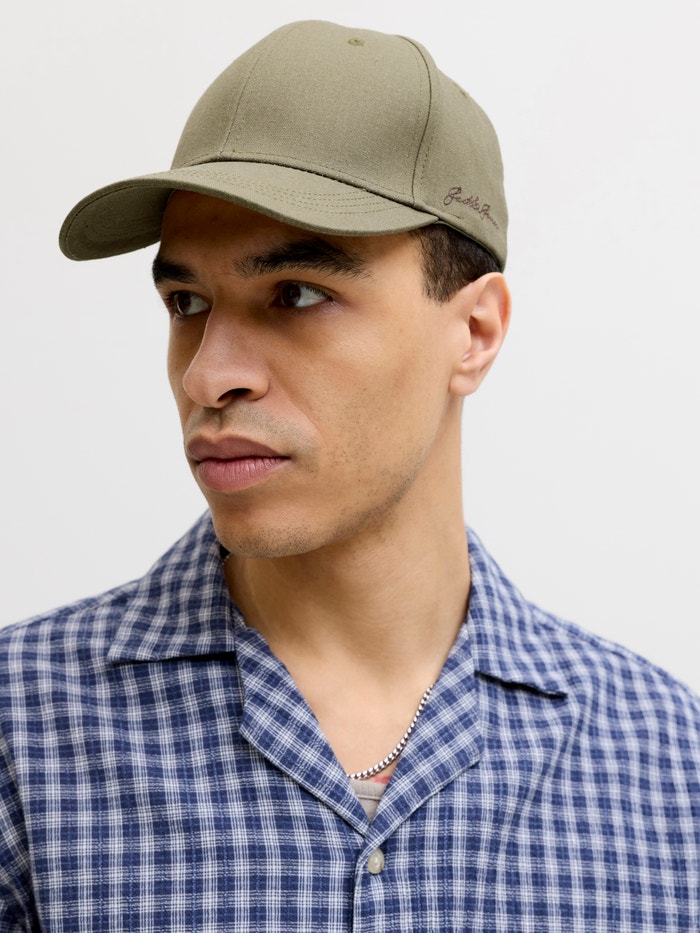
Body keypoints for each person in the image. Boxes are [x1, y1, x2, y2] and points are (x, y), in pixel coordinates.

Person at [1, 19, 698, 932]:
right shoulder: (22, 737)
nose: (208, 376)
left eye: (296, 294)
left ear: (475, 332)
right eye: (187, 301)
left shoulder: (668, 766)